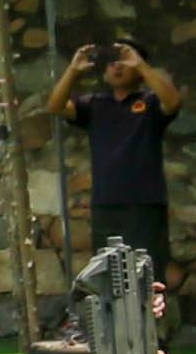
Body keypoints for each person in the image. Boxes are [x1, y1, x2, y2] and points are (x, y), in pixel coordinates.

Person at [45, 36, 184, 301]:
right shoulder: (95, 105)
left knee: (148, 277)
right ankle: (113, 339)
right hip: (106, 203)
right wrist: (73, 69)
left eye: (124, 61)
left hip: (144, 203)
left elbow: (174, 102)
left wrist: (141, 66)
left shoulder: (151, 102)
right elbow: (55, 106)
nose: (117, 68)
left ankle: (156, 337)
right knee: (108, 276)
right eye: (110, 63)